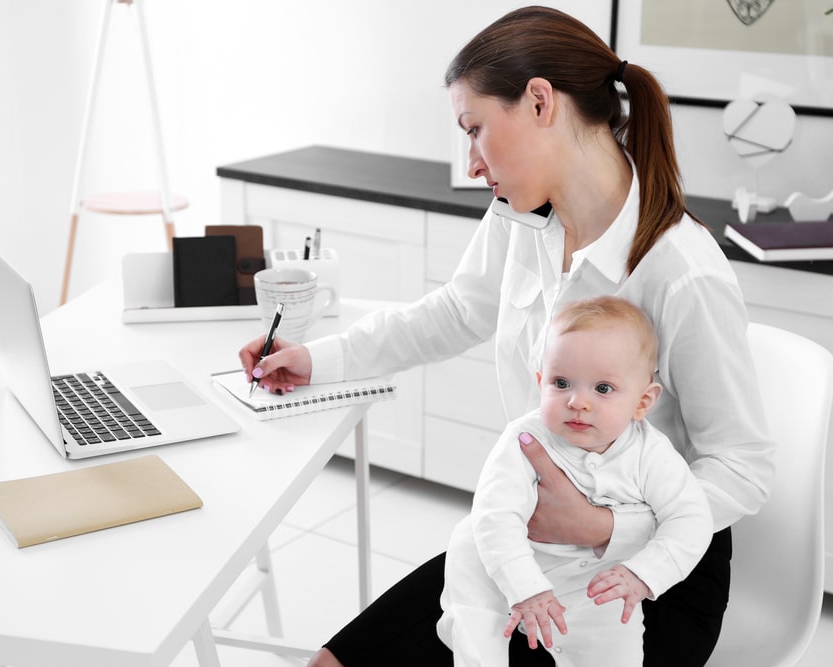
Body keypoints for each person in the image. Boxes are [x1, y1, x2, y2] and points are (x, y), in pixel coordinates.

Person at [239, 6, 774, 666]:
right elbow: (454, 312)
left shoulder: (680, 270)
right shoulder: (521, 218)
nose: (471, 161)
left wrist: (604, 526)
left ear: (540, 102)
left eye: (476, 130)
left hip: (652, 575)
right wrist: (317, 357)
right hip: (533, 545)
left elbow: (743, 468)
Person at [438, 296, 713, 666]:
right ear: (540, 382)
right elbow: (496, 517)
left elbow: (692, 519)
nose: (577, 402)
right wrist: (526, 588)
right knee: (471, 561)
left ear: (642, 401)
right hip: (511, 564)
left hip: (600, 586)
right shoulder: (525, 439)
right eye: (561, 382)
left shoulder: (652, 454)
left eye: (602, 388)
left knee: (618, 651)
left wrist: (643, 574)